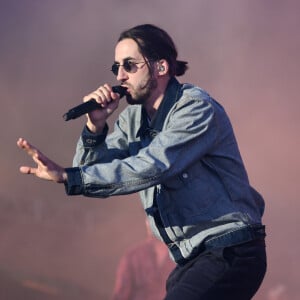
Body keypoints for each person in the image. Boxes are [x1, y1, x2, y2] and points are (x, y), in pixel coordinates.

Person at [17, 24, 267, 299]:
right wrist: (95, 127)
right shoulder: (132, 119)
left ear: (161, 67)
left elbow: (153, 166)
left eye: (129, 65)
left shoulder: (195, 108)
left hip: (231, 249)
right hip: (191, 259)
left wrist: (69, 176)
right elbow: (92, 171)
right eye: (116, 68)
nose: (120, 76)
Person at [112, 219, 175, 300]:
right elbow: (120, 295)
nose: (152, 223)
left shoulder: (182, 258)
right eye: (149, 217)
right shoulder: (133, 256)